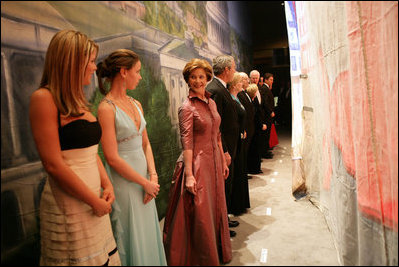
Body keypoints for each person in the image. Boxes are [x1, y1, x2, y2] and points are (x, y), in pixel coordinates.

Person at [29, 29, 121, 266]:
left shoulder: (78, 99)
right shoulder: (44, 98)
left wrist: (107, 184)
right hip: (69, 204)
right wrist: (93, 200)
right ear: (72, 62)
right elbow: (53, 164)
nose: (94, 67)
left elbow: (91, 153)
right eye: (90, 61)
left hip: (94, 199)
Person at [96, 49, 166, 266]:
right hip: (125, 184)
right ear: (124, 72)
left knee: (147, 232)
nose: (140, 76)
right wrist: (145, 182)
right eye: (137, 71)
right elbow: (111, 157)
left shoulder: (136, 104)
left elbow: (145, 143)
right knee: (130, 234)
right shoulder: (106, 108)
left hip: (145, 180)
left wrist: (152, 177)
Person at [163, 58, 232, 265]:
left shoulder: (211, 102)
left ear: (208, 78)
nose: (198, 81)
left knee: (217, 206)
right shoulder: (187, 107)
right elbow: (187, 142)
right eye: (193, 77)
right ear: (187, 80)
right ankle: (203, 257)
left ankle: (218, 252)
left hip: (214, 163)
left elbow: (217, 135)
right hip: (199, 165)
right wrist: (190, 175)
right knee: (202, 212)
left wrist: (223, 161)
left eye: (201, 77)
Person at [206, 55, 240, 237]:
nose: (234, 71)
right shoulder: (215, 89)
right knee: (223, 187)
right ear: (226, 69)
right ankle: (221, 224)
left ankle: (224, 219)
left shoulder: (221, 88)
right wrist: (224, 150)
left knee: (227, 186)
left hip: (229, 146)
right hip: (223, 148)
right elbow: (216, 125)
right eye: (233, 68)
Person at [228, 72, 250, 216]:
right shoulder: (231, 98)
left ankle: (240, 204)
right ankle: (235, 205)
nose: (243, 83)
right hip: (234, 141)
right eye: (241, 81)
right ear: (235, 83)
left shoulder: (236, 98)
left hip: (240, 139)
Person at [246, 84, 267, 174]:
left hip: (254, 128)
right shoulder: (252, 102)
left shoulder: (252, 100)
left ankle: (255, 168)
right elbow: (255, 116)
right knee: (254, 149)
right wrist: (261, 125)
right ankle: (254, 168)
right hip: (255, 128)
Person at [237, 72, 255, 179]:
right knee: (243, 153)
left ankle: (245, 172)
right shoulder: (239, 94)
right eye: (245, 79)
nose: (247, 81)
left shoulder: (245, 93)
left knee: (246, 152)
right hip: (245, 129)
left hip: (249, 127)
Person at [262, 73, 275, 156]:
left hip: (268, 115)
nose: (272, 81)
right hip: (266, 115)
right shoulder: (264, 89)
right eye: (270, 80)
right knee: (266, 134)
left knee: (268, 134)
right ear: (266, 80)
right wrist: (270, 111)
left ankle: (266, 150)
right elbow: (265, 102)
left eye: (272, 80)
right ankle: (265, 151)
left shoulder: (267, 88)